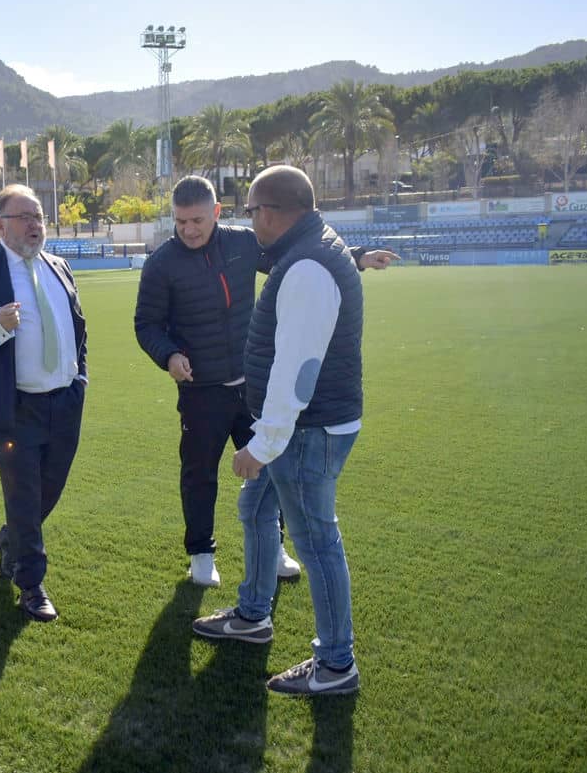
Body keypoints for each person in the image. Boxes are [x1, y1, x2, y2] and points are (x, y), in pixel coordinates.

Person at [134, 176, 395, 588]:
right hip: (201, 390)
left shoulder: (241, 242)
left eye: (197, 220)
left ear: (217, 213)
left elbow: (297, 252)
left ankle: (273, 548)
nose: (188, 230)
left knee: (271, 469)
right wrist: (168, 355)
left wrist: (358, 256)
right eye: (180, 221)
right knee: (199, 473)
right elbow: (146, 324)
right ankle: (201, 554)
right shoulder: (162, 263)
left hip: (254, 387)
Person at [191, 165, 368, 696]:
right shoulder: (312, 247)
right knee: (256, 510)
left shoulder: (307, 266)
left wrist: (262, 445)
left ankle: (337, 665)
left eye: (250, 210)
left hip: (307, 430)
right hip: (308, 425)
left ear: (269, 213)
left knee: (315, 543)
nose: (251, 222)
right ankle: (252, 615)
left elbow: (297, 367)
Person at [0, 184, 87, 622]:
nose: (34, 225)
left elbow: (78, 327)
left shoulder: (58, 265)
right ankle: (30, 584)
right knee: (25, 495)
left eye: (39, 216)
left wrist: (79, 377)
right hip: (15, 408)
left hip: (64, 401)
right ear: (0, 224)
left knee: (49, 490)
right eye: (24, 216)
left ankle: (11, 539)